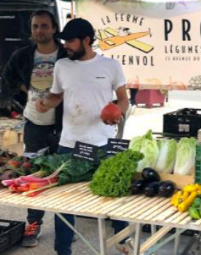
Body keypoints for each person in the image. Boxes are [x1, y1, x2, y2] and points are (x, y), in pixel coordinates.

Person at [35, 18, 130, 255]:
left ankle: (123, 240)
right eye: (65, 40)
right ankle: (63, 250)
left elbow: (124, 99)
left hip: (105, 143)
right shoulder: (62, 66)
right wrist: (46, 103)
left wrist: (117, 112)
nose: (66, 45)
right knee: (63, 201)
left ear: (86, 40)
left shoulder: (111, 65)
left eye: (71, 40)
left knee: (115, 193)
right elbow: (57, 95)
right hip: (70, 143)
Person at [2, 10, 67, 247]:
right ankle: (33, 223)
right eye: (35, 26)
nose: (39, 31)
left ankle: (65, 226)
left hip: (63, 124)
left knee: (63, 173)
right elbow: (6, 75)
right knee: (34, 174)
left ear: (53, 28)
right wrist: (25, 90)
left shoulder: (66, 55)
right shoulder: (23, 55)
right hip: (34, 124)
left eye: (44, 26)